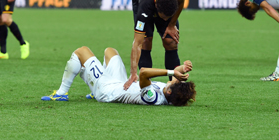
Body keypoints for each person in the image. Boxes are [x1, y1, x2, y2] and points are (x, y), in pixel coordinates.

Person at [41, 46, 196, 106]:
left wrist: (171, 72)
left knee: (81, 51)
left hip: (108, 90)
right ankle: (91, 78)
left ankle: (62, 93)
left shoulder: (153, 98)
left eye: (173, 83)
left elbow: (143, 73)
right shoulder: (169, 92)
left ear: (169, 92)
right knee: (110, 51)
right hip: (122, 83)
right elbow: (176, 77)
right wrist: (183, 67)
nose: (173, 81)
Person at [128, 0, 186, 87]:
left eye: (167, 17)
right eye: (163, 17)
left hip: (162, 0)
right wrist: (133, 73)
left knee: (171, 42)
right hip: (141, 1)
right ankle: (146, 84)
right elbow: (137, 44)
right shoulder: (144, 9)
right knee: (145, 42)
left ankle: (175, 85)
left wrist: (171, 24)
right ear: (156, 9)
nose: (164, 20)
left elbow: (181, 1)